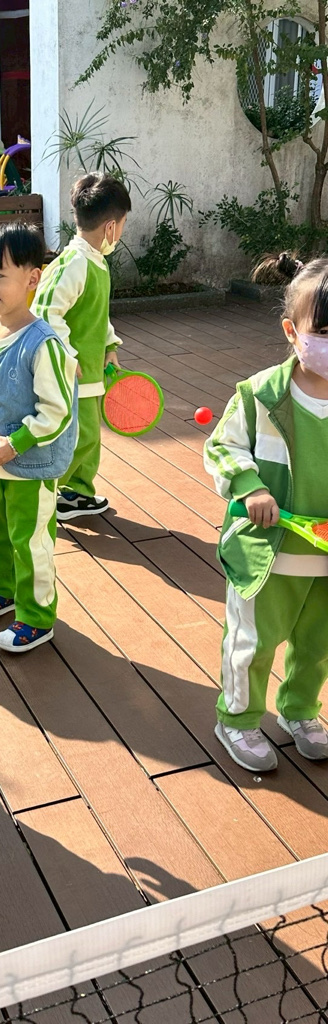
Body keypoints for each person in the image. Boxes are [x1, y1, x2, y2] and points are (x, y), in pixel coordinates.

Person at [204, 251, 328, 773]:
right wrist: (251, 487)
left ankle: (300, 711)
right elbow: (223, 447)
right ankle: (237, 718)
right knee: (252, 643)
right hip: (269, 552)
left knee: (317, 646)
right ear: (292, 331)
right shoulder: (259, 395)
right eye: (324, 332)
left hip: (323, 558)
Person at [0, 221, 78, 653]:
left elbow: (57, 411)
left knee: (30, 543)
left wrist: (16, 443)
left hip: (30, 465)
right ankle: (5, 588)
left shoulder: (44, 344)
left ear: (32, 278)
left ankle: (36, 618)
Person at [32, 172, 131, 521]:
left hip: (88, 372)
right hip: (71, 375)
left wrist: (109, 344)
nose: (121, 232)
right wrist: (67, 358)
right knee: (78, 436)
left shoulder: (95, 262)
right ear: (110, 227)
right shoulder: (73, 263)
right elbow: (45, 313)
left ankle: (76, 493)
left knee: (88, 436)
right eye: (123, 225)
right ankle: (48, 493)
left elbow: (96, 314)